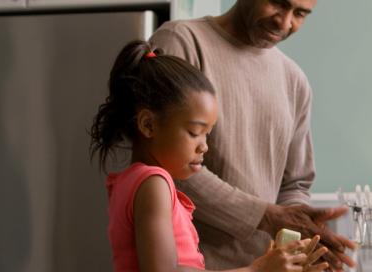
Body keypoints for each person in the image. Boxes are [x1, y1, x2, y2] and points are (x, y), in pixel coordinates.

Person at [149, 0, 356, 270]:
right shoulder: (182, 42)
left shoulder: (294, 81)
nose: (284, 23)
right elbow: (163, 163)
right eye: (278, 4)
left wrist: (300, 232)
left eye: (300, 14)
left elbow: (295, 184)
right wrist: (267, 216)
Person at [89, 40, 329, 272]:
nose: (204, 146)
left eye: (207, 134)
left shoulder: (132, 181)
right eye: (195, 132)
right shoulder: (154, 183)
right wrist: (255, 270)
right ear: (148, 125)